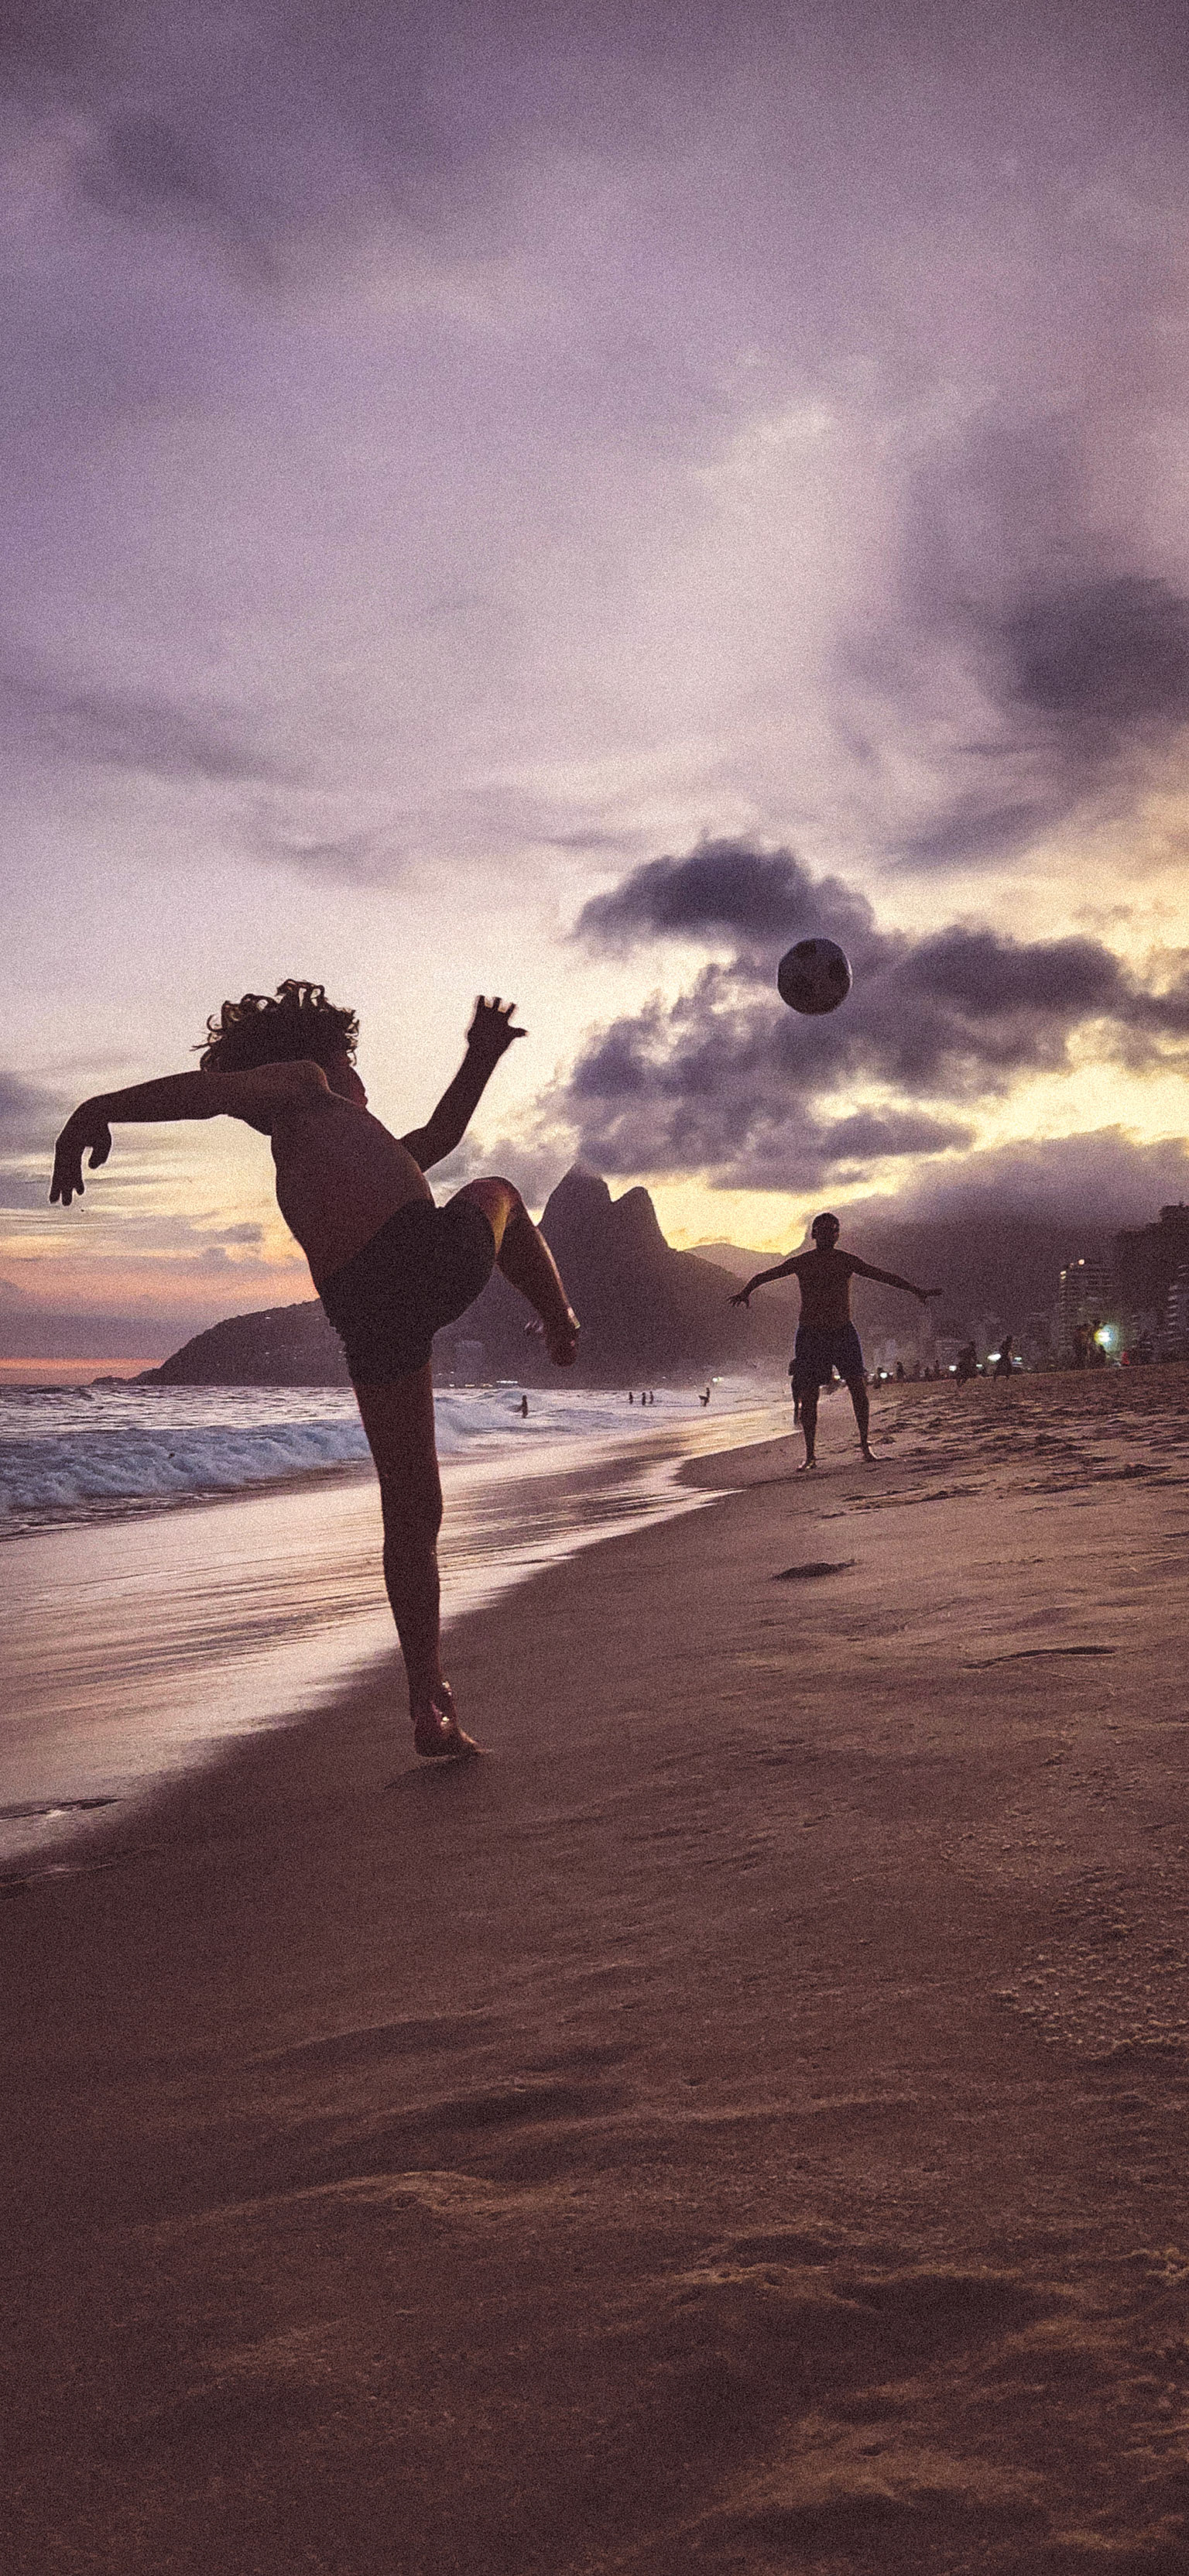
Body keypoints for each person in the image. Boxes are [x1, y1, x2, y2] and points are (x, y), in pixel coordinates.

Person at [50, 979, 580, 1764]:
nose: (359, 1079)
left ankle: (425, 1693)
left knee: (411, 1511)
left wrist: (481, 1056)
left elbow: (438, 1130)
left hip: (364, 1315)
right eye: (353, 1061)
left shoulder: (333, 1136)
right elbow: (203, 1092)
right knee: (499, 1191)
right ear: (318, 1057)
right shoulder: (306, 1082)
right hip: (419, 1261)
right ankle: (563, 1322)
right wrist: (95, 1107)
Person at [731, 1212, 940, 1467]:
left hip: (843, 1332)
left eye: (833, 1229)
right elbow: (765, 1276)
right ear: (814, 1234)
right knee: (809, 1395)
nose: (828, 1233)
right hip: (810, 1334)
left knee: (858, 1389)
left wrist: (916, 1290)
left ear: (838, 1235)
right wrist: (746, 1291)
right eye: (823, 1229)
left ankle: (865, 1447)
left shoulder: (846, 1261)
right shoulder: (802, 1262)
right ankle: (810, 1456)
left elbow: (883, 1276)